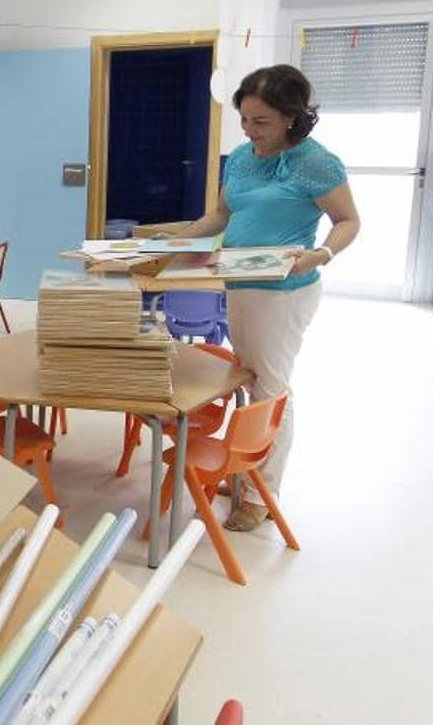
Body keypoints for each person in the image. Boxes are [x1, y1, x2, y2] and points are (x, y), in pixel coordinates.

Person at [169, 64, 360, 531]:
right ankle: (245, 470)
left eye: (262, 121)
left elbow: (349, 221)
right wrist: (181, 243)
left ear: (292, 118)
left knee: (270, 387)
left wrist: (319, 255)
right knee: (250, 379)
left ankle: (259, 492)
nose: (250, 131)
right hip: (241, 285)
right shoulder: (241, 157)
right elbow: (220, 213)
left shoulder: (316, 162)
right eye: (245, 119)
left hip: (284, 293)